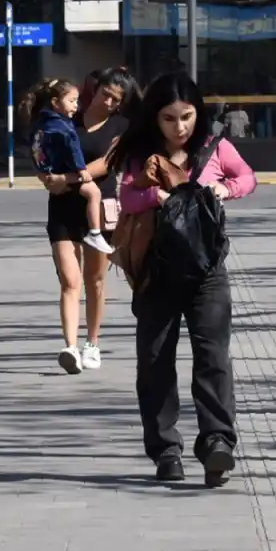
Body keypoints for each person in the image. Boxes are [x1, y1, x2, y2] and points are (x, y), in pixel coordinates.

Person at [107, 71, 257, 486]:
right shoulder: (142, 155)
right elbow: (127, 197)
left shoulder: (214, 149)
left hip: (207, 270)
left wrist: (226, 190)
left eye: (187, 116)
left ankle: (217, 444)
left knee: (213, 358)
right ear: (155, 118)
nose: (179, 127)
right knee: (155, 363)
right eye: (169, 118)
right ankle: (165, 450)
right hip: (157, 273)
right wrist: (157, 194)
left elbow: (248, 177)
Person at [39, 67, 138, 374]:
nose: (108, 102)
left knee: (95, 280)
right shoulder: (66, 116)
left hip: (98, 209)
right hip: (61, 208)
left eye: (115, 100)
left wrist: (62, 178)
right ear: (95, 89)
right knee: (69, 280)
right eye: (105, 94)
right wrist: (45, 177)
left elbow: (105, 164)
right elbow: (43, 149)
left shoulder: (122, 126)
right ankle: (70, 347)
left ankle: (92, 343)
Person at [25, 78, 114, 257]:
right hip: (67, 173)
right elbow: (74, 151)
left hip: (52, 171)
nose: (76, 106)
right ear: (55, 103)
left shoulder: (41, 123)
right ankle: (95, 232)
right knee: (94, 193)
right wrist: (82, 170)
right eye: (72, 101)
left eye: (77, 100)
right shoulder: (65, 127)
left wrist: (44, 172)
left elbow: (35, 150)